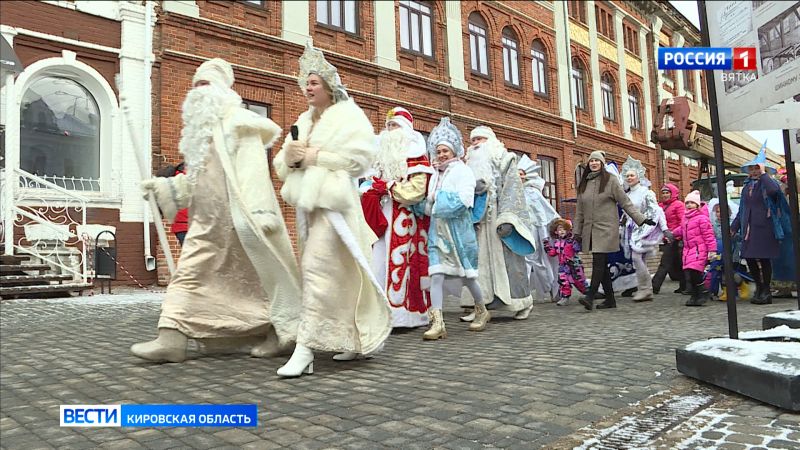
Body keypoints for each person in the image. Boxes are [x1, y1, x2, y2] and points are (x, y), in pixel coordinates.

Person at [133, 58, 301, 363]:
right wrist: (163, 188)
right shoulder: (199, 137)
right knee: (190, 276)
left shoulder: (240, 124)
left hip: (237, 223)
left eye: (206, 84)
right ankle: (171, 338)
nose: (199, 91)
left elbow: (253, 173)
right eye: (196, 84)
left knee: (253, 284)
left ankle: (275, 332)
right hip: (204, 225)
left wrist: (260, 214)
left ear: (223, 89)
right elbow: (194, 183)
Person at [272, 43, 392, 377]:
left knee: (316, 268)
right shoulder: (302, 120)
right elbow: (282, 162)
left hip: (337, 208)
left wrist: (315, 158)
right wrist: (291, 159)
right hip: (309, 208)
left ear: (328, 86)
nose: (307, 88)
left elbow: (360, 160)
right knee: (340, 275)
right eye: (305, 83)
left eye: (313, 82)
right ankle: (354, 339)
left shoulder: (350, 116)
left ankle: (305, 348)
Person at [360, 107, 434, 328]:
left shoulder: (416, 157)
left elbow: (417, 190)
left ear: (406, 130)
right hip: (379, 216)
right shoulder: (380, 157)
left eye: (395, 126)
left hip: (405, 218)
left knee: (403, 265)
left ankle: (404, 317)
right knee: (377, 262)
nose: (390, 130)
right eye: (388, 125)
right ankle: (378, 313)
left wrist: (390, 187)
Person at [462, 126, 536, 321]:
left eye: (480, 139)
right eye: (473, 140)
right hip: (479, 220)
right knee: (479, 263)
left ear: (491, 141)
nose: (476, 144)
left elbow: (513, 190)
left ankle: (523, 303)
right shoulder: (468, 165)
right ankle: (480, 305)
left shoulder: (505, 160)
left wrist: (508, 219)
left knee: (510, 262)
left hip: (500, 218)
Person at [422, 117, 486, 339]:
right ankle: (437, 322)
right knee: (436, 275)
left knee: (468, 277)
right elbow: (429, 206)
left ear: (454, 151)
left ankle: (481, 309)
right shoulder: (435, 175)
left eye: (445, 151)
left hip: (458, 233)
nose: (441, 155)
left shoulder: (462, 171)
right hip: (438, 232)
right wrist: (428, 202)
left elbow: (464, 200)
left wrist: (435, 198)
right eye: (438, 151)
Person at [573, 151, 653, 311]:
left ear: (602, 164)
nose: (594, 163)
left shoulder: (610, 180)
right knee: (601, 265)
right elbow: (580, 211)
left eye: (597, 161)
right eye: (591, 161)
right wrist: (577, 231)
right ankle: (610, 299)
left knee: (598, 261)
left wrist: (641, 219)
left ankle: (590, 296)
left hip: (606, 228)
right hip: (590, 229)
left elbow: (625, 202)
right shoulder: (584, 184)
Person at [731, 147, 786, 305]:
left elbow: (774, 192)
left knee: (764, 258)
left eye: (757, 168)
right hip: (749, 229)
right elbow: (742, 209)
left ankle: (766, 291)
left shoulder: (769, 183)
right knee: (748, 257)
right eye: (752, 168)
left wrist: (763, 175)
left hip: (765, 228)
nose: (754, 171)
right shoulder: (747, 187)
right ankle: (760, 287)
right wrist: (734, 227)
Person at [619, 156, 669, 302]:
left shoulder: (646, 192)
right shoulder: (627, 194)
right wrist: (622, 221)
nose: (629, 178)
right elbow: (627, 211)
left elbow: (657, 211)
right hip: (630, 230)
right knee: (638, 259)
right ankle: (645, 289)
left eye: (632, 175)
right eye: (627, 175)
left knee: (636, 257)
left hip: (643, 228)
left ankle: (645, 289)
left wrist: (664, 228)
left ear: (638, 177)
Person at [518, 155, 560, 303]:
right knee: (526, 261)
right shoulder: (514, 193)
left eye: (522, 174)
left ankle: (552, 287)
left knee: (540, 261)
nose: (519, 177)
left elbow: (546, 210)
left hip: (536, 230)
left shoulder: (532, 192)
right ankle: (524, 294)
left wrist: (557, 224)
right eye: (517, 173)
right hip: (522, 231)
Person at [674, 190, 716, 306]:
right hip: (688, 250)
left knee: (695, 273)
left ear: (697, 205)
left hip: (698, 250)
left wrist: (712, 250)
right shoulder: (685, 218)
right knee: (689, 274)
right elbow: (682, 230)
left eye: (692, 203)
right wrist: (671, 234)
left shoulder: (702, 218)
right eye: (687, 203)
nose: (689, 205)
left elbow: (709, 235)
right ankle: (695, 294)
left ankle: (702, 292)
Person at [543, 219, 587, 306]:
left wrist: (577, 241)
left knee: (580, 282)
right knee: (563, 282)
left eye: (563, 229)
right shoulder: (557, 243)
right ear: (556, 232)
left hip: (574, 265)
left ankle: (591, 292)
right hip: (563, 266)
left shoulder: (571, 240)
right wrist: (546, 245)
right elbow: (552, 253)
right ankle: (565, 297)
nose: (561, 231)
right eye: (559, 229)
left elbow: (577, 249)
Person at [652, 183, 686, 294]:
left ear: (673, 193)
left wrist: (676, 234)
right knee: (677, 263)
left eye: (667, 192)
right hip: (667, 238)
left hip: (676, 238)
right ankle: (684, 286)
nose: (665, 195)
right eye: (663, 193)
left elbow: (683, 222)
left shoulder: (678, 205)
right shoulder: (660, 206)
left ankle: (654, 286)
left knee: (665, 263)